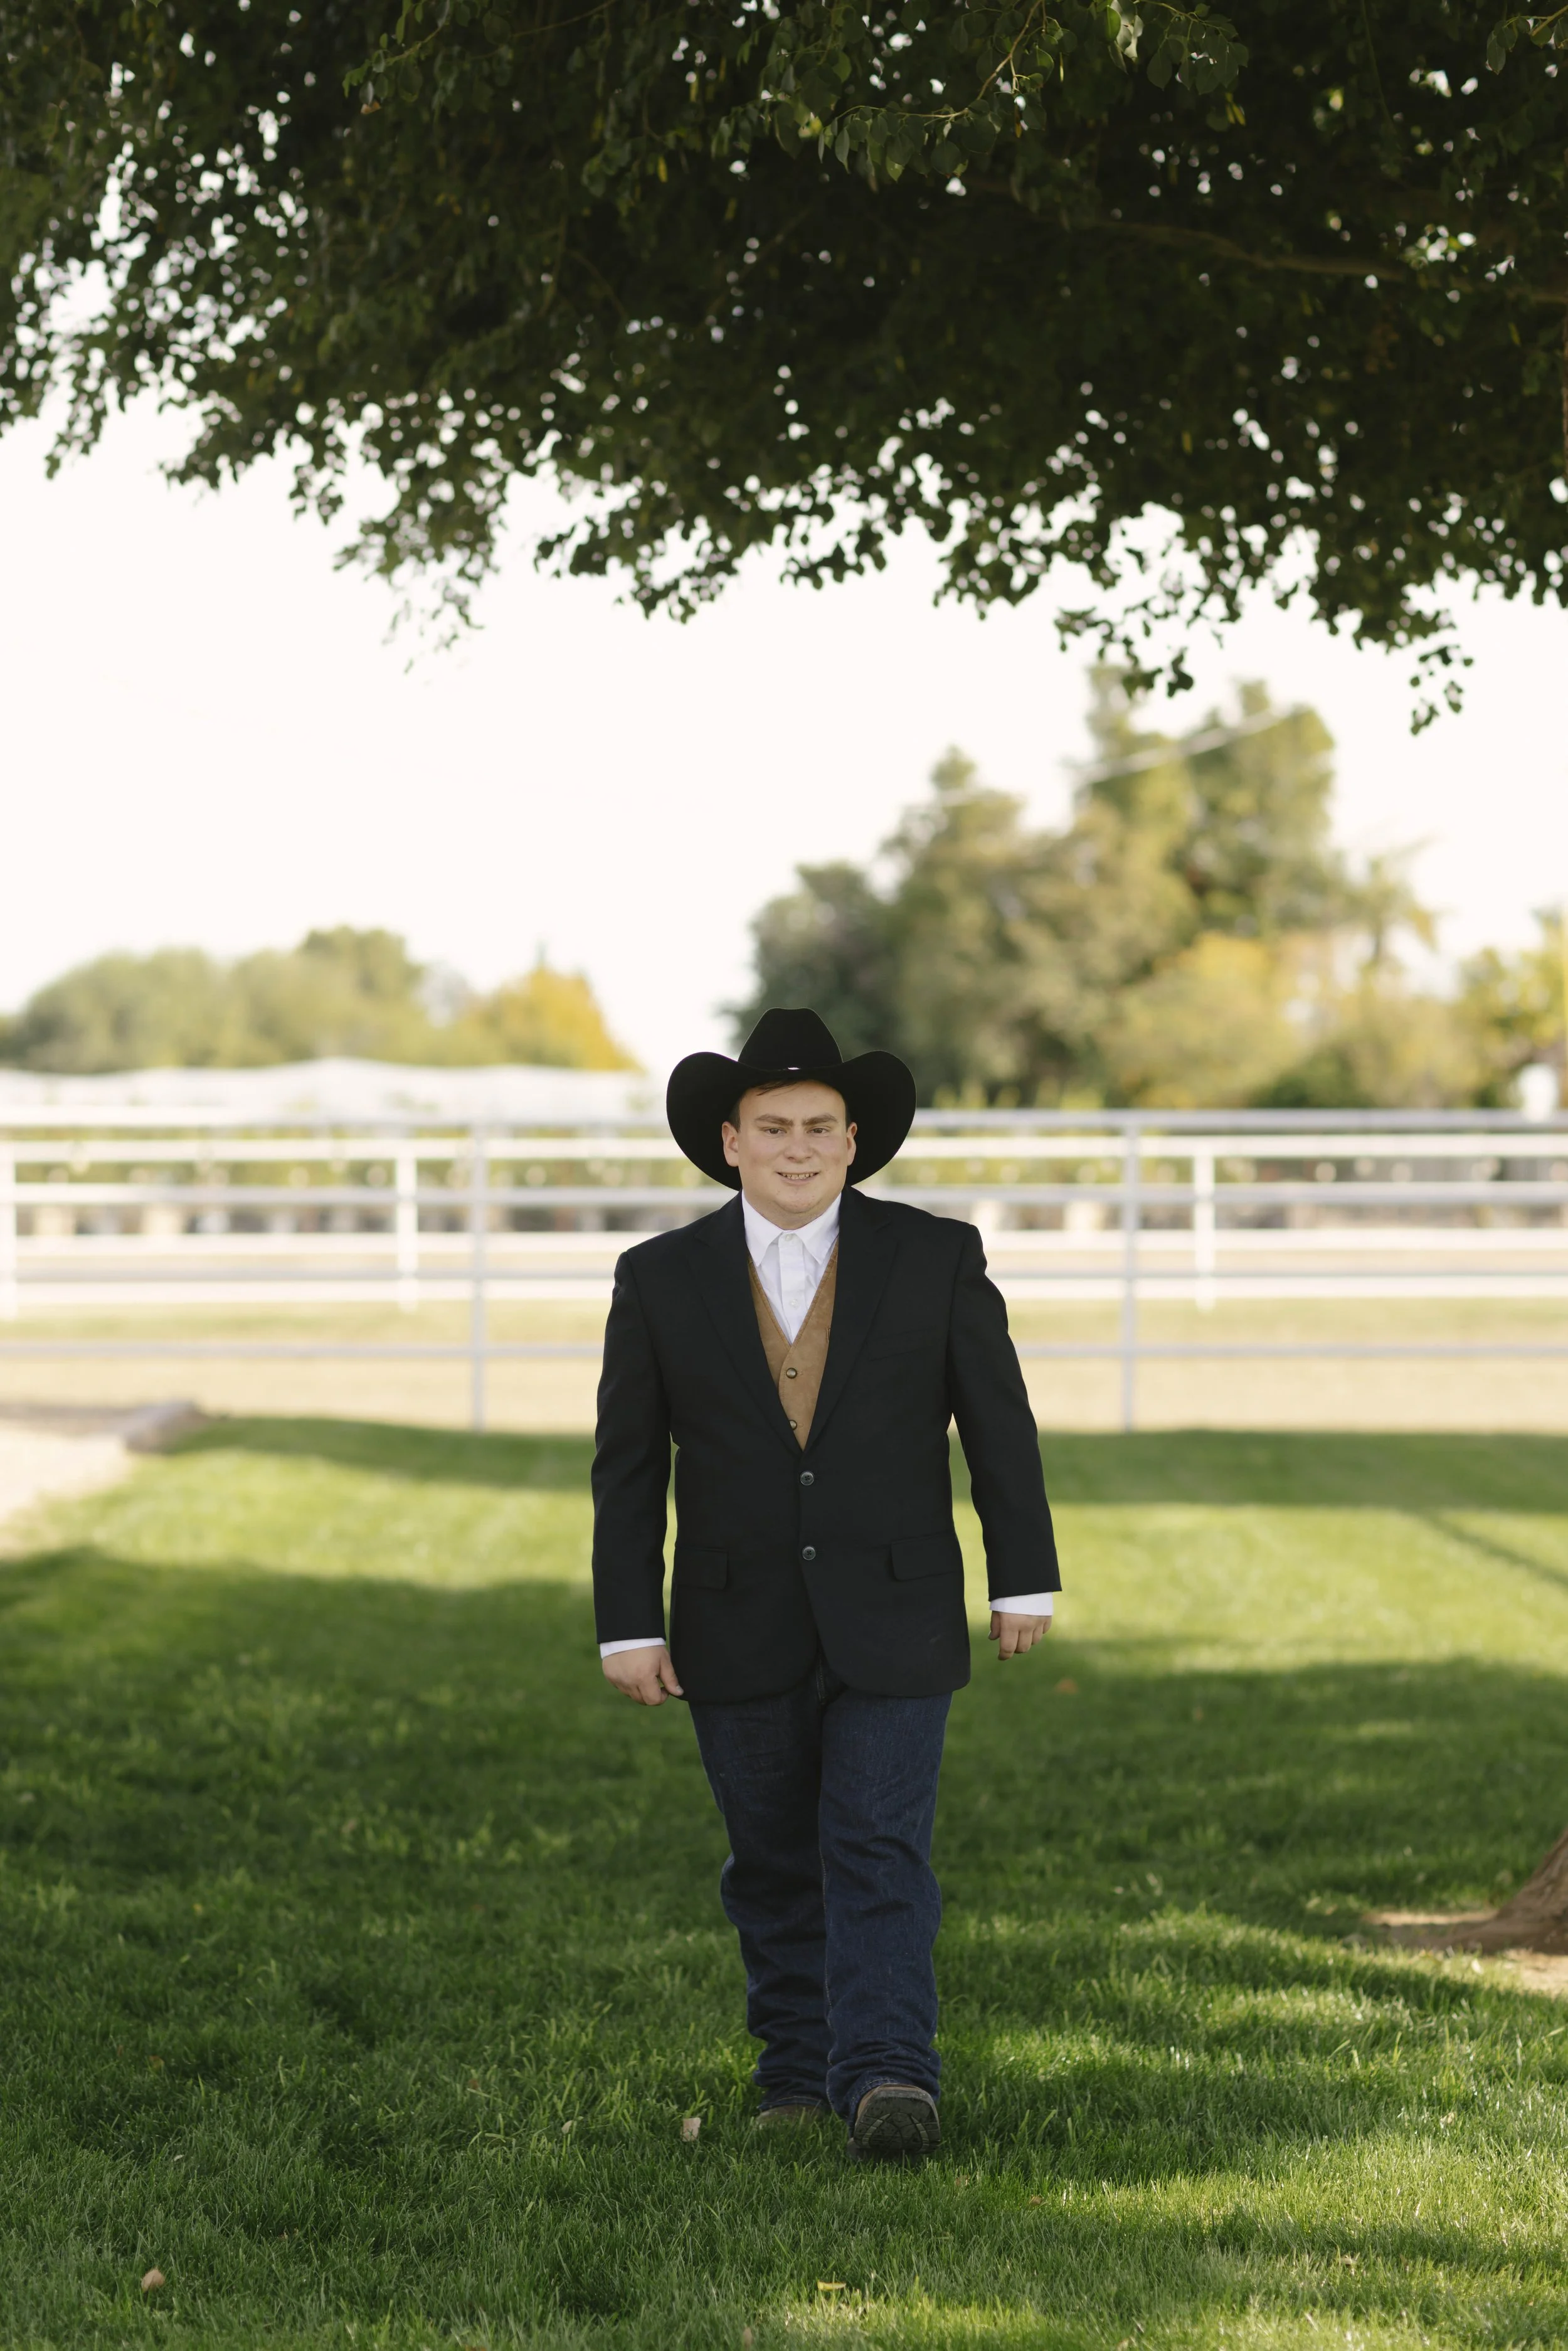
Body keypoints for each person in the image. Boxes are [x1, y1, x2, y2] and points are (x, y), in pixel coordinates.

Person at [591, 1008, 1059, 2162]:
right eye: (773, 1126)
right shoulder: (659, 1278)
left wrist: (1026, 1578)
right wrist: (625, 1623)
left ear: (856, 1142)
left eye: (820, 1127)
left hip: (898, 1611)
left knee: (878, 1846)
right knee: (771, 1863)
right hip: (729, 1612)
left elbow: (998, 1428)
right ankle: (796, 2074)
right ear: (730, 1140)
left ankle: (892, 2073)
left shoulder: (935, 1257)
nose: (798, 1147)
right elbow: (629, 1463)